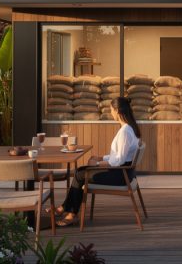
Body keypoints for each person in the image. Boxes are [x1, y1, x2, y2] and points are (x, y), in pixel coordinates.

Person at [55, 97, 141, 226]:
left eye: (112, 110)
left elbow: (119, 160)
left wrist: (97, 164)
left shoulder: (125, 132)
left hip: (120, 175)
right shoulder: (129, 129)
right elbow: (118, 156)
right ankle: (67, 209)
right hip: (123, 172)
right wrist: (101, 158)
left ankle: (71, 213)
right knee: (80, 171)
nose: (111, 113)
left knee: (79, 175)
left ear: (117, 111)